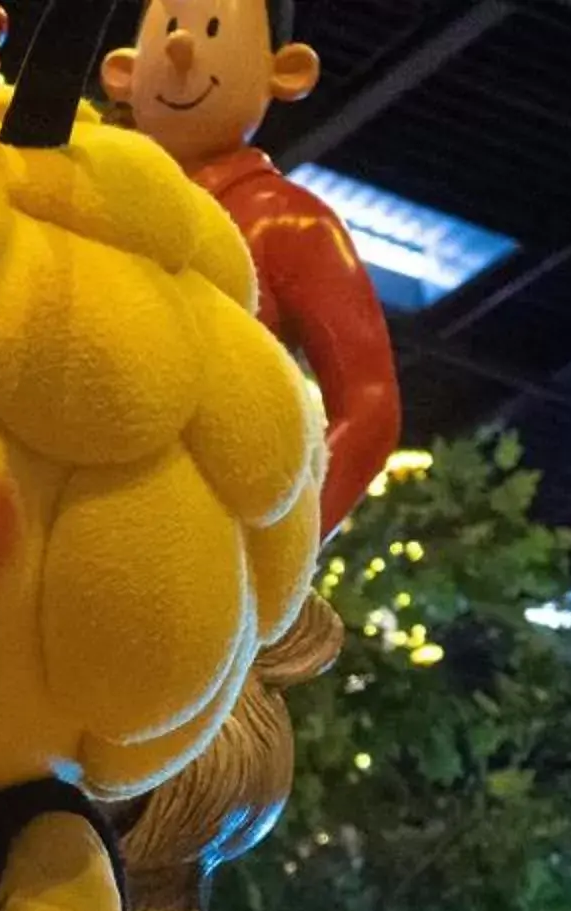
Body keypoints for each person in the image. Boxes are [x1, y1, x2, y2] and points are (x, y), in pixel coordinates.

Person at [101, 0, 401, 539]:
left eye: (211, 29)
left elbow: (370, 410)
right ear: (123, 70)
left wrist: (276, 552)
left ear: (285, 72)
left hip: (180, 538)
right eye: (169, 29)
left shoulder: (292, 223)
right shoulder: (88, 190)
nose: (181, 46)